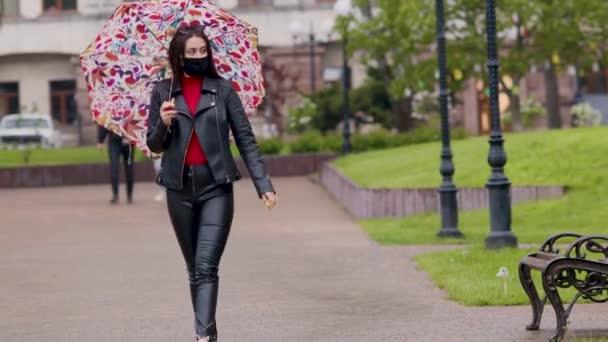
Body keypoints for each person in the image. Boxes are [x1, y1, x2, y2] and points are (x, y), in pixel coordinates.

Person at [146, 25, 278, 342]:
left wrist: (264, 184)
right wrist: (163, 124)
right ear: (178, 56)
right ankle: (209, 332)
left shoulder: (223, 90)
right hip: (179, 191)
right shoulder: (163, 92)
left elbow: (246, 140)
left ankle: (202, 337)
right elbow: (154, 145)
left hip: (216, 187)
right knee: (194, 269)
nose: (198, 57)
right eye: (191, 52)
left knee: (206, 265)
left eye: (202, 51)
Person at [97, 126, 134, 204]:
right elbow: (105, 121)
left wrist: (130, 135)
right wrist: (100, 140)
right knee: (115, 168)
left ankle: (129, 195)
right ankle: (115, 195)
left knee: (129, 168)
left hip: (128, 141)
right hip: (114, 141)